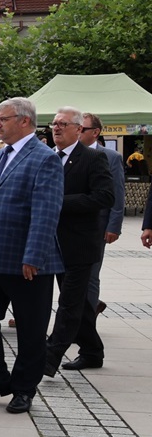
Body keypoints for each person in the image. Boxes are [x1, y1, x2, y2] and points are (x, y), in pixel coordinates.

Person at [0, 97, 64, 414]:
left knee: (31, 329)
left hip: (25, 262)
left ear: (24, 121)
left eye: (2, 119)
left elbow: (46, 212)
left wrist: (33, 254)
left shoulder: (44, 159)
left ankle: (24, 388)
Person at [44, 107, 114, 375]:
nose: (56, 128)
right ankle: (92, 351)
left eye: (63, 124)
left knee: (69, 303)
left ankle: (49, 357)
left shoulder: (93, 158)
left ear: (78, 129)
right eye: (54, 124)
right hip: (52, 243)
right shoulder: (49, 158)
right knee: (81, 303)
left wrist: (60, 204)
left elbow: (105, 197)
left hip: (80, 244)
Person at [80, 113, 125, 318]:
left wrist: (114, 226)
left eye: (82, 129)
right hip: (68, 226)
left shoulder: (111, 157)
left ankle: (87, 320)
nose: (77, 132)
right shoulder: (60, 154)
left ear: (95, 132)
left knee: (91, 275)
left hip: (98, 225)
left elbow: (116, 192)